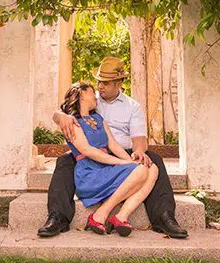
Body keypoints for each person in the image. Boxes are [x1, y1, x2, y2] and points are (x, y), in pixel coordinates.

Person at [37, 57, 188, 239]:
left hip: (122, 150)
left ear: (119, 83)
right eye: (99, 81)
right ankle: (58, 216)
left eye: (106, 83)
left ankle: (164, 216)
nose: (100, 86)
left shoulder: (132, 106)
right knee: (64, 160)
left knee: (153, 159)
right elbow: (68, 107)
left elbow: (139, 137)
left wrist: (138, 152)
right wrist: (60, 116)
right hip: (91, 152)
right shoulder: (92, 99)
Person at [57, 81, 158, 236]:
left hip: (105, 167)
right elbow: (89, 151)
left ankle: (121, 216)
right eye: (92, 92)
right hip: (89, 172)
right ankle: (100, 214)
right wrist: (123, 163)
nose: (96, 96)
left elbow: (113, 145)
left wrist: (131, 160)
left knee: (152, 168)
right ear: (82, 94)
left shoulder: (98, 118)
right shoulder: (72, 122)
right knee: (142, 170)